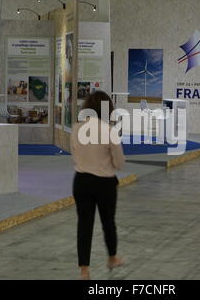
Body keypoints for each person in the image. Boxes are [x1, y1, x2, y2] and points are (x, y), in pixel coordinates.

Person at [70, 91, 125, 280]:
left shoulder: (76, 128)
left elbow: (74, 154)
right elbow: (119, 163)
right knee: (108, 222)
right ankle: (112, 257)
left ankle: (84, 270)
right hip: (104, 183)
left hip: (81, 181)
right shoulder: (109, 131)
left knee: (84, 226)